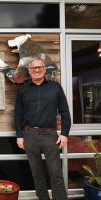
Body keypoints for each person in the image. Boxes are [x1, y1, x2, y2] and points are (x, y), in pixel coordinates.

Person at [14, 57, 71, 200]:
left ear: (44, 69)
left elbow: (64, 111)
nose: (37, 70)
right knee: (37, 174)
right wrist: (19, 135)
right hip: (29, 136)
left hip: (50, 135)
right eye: (34, 68)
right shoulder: (23, 90)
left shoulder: (55, 87)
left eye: (40, 67)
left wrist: (64, 133)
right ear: (29, 70)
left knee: (55, 173)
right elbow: (18, 114)